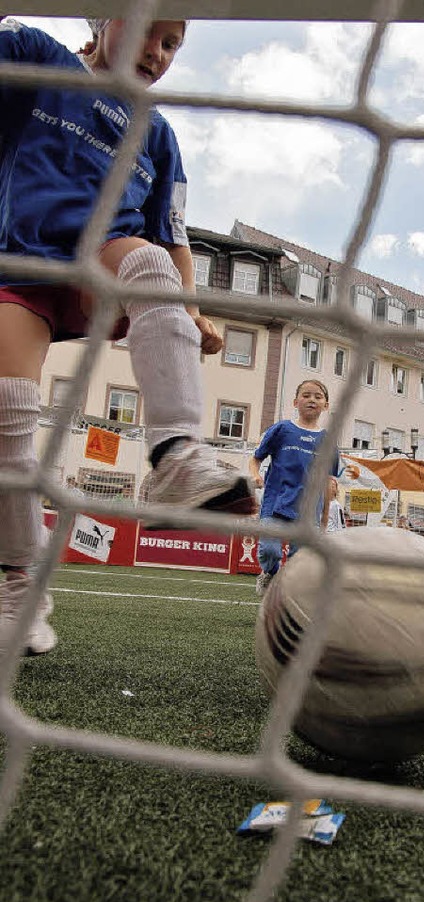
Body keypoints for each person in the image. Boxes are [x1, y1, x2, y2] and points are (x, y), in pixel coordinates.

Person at [0, 17, 255, 656]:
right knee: (7, 413)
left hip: (101, 266)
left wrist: (188, 309)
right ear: (103, 18)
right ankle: (17, 584)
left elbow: (171, 237)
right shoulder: (37, 56)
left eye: (172, 45)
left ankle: (175, 454)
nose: (157, 52)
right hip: (20, 263)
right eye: (147, 31)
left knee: (149, 264)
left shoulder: (158, 134)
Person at [249, 380, 339, 596]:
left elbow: (328, 482)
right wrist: (255, 475)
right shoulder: (282, 430)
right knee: (270, 551)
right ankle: (268, 574)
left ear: (326, 405)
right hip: (276, 504)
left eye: (318, 396)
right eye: (306, 395)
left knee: (299, 564)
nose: (312, 400)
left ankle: (285, 600)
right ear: (295, 401)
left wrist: (324, 519)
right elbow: (255, 459)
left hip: (308, 513)